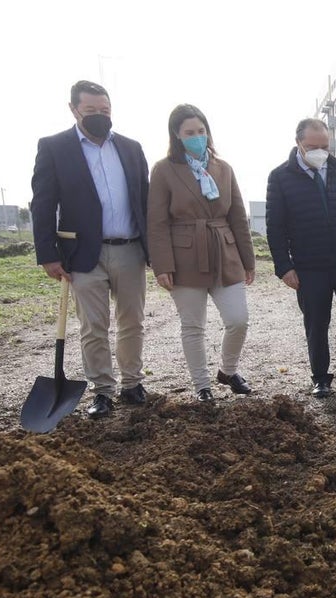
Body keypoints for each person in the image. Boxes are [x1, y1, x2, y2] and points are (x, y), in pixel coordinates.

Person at [30, 80, 150, 419]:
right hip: (83, 254)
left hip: (129, 249)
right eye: (91, 110)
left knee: (132, 321)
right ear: (73, 110)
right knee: (93, 326)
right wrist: (48, 254)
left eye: (105, 110)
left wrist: (155, 249)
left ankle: (132, 383)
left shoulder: (131, 148)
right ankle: (102, 391)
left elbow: (145, 200)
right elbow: (43, 203)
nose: (100, 115)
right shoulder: (55, 148)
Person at [146, 105, 255, 402]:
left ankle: (228, 371)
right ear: (177, 135)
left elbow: (238, 216)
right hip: (184, 257)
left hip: (225, 252)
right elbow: (156, 222)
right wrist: (162, 265)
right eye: (190, 132)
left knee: (238, 320)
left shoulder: (224, 168)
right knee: (193, 326)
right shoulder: (163, 170)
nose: (197, 137)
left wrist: (248, 260)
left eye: (201, 131)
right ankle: (202, 385)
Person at [267, 118, 336, 398]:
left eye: (325, 147)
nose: (320, 152)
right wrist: (284, 267)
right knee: (317, 324)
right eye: (312, 147)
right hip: (309, 266)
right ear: (298, 143)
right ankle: (320, 377)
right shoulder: (280, 177)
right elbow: (275, 226)